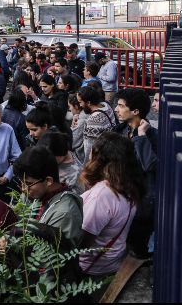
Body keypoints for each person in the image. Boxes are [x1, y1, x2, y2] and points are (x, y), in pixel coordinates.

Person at [79, 132, 144, 277]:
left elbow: (82, 241)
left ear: (99, 159)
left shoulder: (103, 195)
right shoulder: (129, 185)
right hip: (112, 261)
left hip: (91, 268)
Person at [114, 88, 158, 258]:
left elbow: (148, 164)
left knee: (138, 245)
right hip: (124, 195)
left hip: (142, 202)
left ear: (135, 111)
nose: (117, 109)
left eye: (121, 105)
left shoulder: (150, 135)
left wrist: (141, 136)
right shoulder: (123, 129)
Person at [13, 145, 83, 245]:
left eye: (28, 183)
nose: (23, 189)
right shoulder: (33, 193)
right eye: (21, 182)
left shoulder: (64, 212)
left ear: (48, 181)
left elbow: (49, 254)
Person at [78, 86, 117, 164]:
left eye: (80, 102)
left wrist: (87, 167)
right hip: (110, 153)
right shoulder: (106, 105)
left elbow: (90, 149)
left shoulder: (93, 120)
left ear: (88, 103)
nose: (80, 106)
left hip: (99, 161)